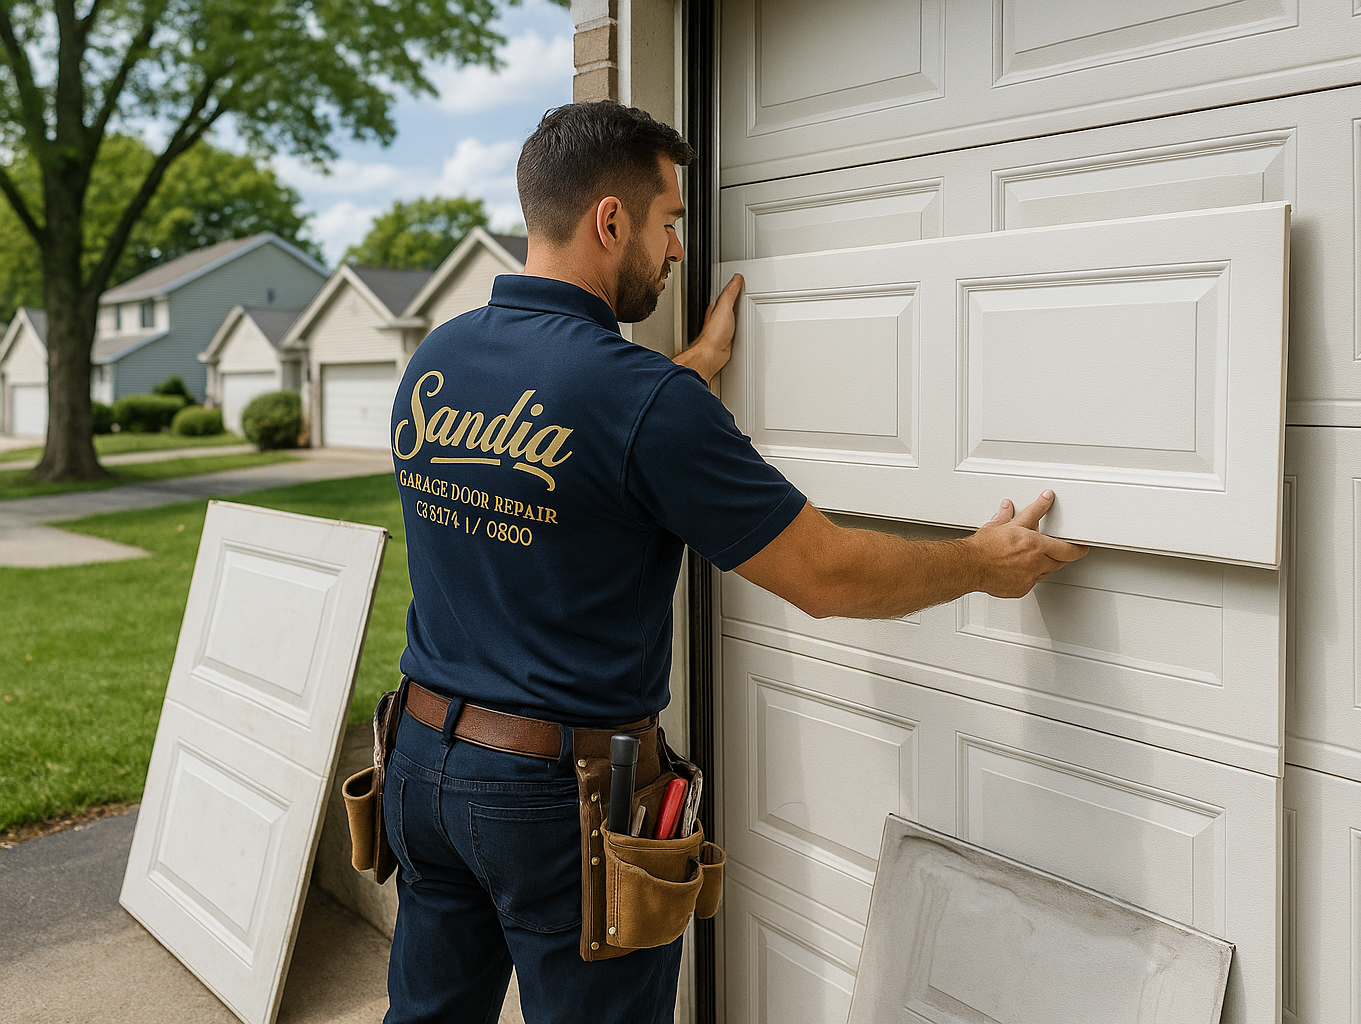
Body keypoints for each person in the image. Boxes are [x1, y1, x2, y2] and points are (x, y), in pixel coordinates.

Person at [382, 100, 1088, 1024]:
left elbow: (558, 452)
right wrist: (979, 562)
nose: (678, 250)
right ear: (609, 220)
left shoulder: (441, 360)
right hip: (557, 808)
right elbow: (825, 575)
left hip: (421, 768)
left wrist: (681, 374)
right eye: (669, 222)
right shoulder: (640, 403)